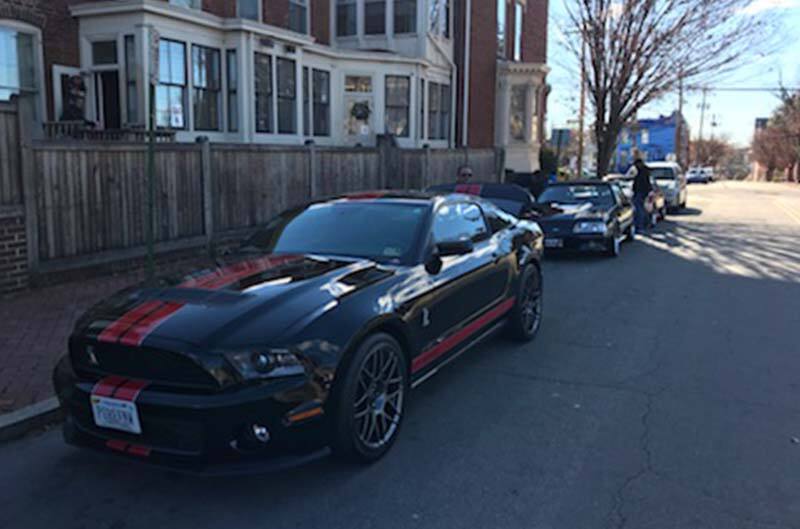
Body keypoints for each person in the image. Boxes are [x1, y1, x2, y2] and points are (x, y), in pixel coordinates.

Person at [632, 158, 653, 233]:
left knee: (639, 209)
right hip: (641, 192)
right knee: (641, 208)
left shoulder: (642, 172)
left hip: (641, 192)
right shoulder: (643, 171)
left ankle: (640, 226)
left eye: (636, 164)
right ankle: (646, 223)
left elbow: (642, 183)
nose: (635, 166)